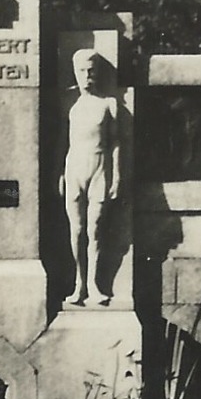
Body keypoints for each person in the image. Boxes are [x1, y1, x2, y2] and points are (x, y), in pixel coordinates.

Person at [60, 49, 121, 306]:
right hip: (74, 167)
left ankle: (95, 286)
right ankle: (79, 285)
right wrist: (60, 173)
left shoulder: (109, 104)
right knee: (76, 230)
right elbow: (62, 142)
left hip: (99, 167)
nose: (87, 76)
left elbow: (116, 143)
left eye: (91, 70)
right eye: (83, 70)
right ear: (76, 72)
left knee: (95, 230)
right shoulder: (70, 105)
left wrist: (117, 175)